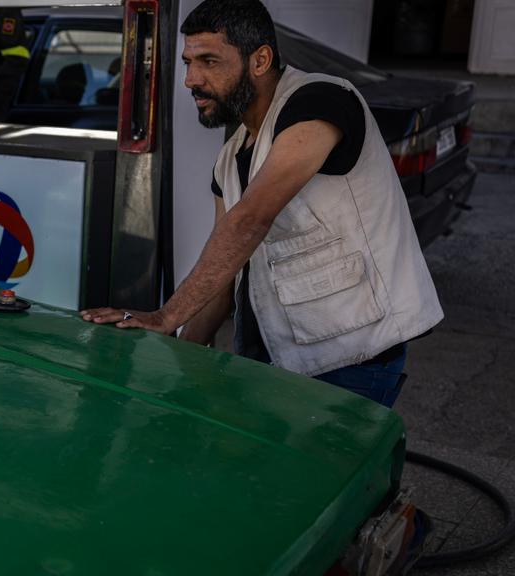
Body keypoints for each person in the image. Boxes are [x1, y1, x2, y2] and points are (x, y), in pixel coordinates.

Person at [80, 0, 442, 408]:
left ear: (260, 60)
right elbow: (223, 274)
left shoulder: (320, 100)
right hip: (276, 359)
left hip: (353, 357)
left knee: (323, 473)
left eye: (209, 61)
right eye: (187, 62)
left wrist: (165, 317)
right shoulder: (229, 160)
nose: (191, 80)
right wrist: (178, 364)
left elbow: (251, 219)